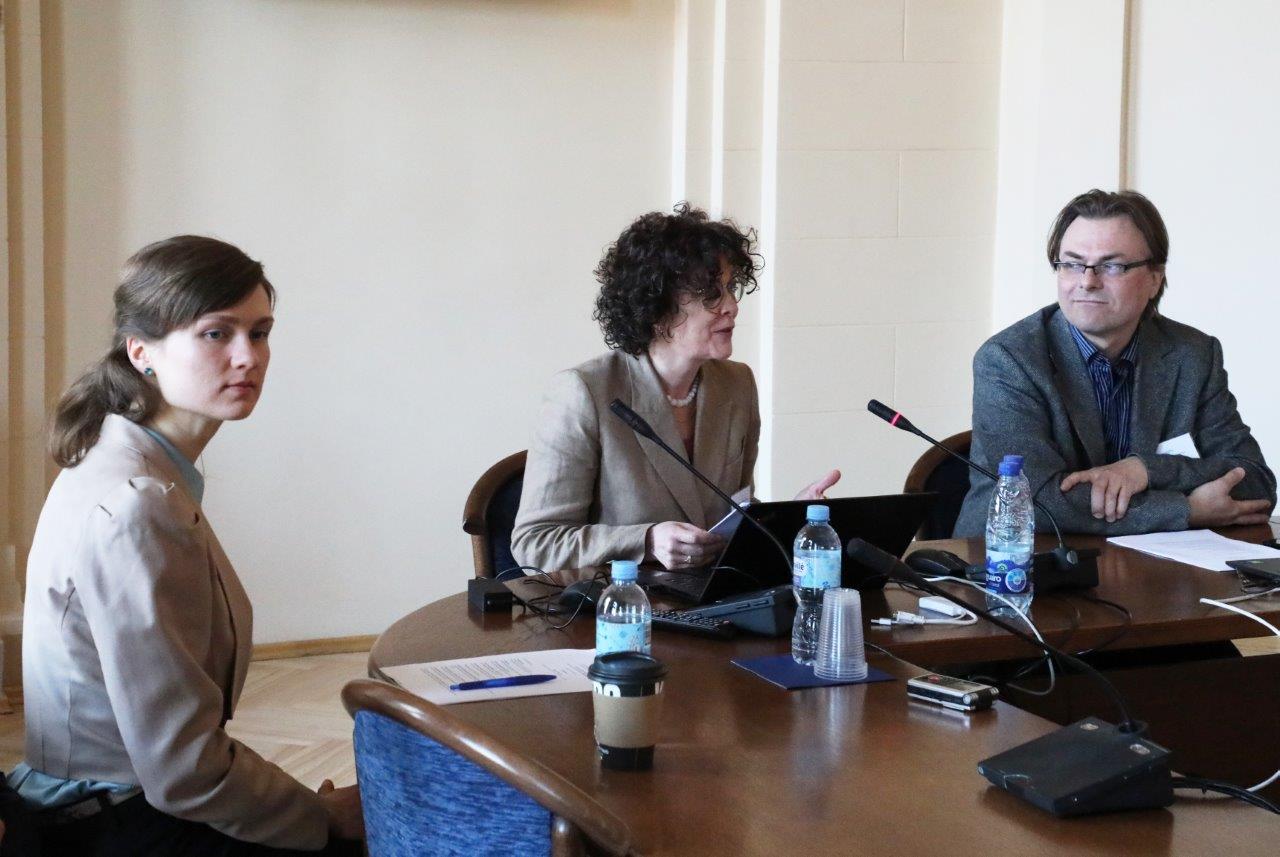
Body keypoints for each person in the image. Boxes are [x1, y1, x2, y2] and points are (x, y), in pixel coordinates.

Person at [13, 236, 363, 855]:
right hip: (111, 823)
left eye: (259, 333)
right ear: (140, 351)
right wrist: (319, 817)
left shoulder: (132, 463)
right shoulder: (136, 501)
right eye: (216, 333)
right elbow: (183, 771)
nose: (247, 357)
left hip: (128, 800)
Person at [512, 203, 840, 572]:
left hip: (711, 597)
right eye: (711, 293)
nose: (732, 306)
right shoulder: (583, 392)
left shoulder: (737, 385)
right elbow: (535, 543)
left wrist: (789, 518)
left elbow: (729, 517)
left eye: (731, 288)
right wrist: (647, 542)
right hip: (618, 601)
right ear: (657, 308)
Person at [955, 189, 1275, 537]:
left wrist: (1144, 470)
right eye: (1072, 264)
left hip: (1151, 561)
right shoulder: (1009, 359)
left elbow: (1254, 482)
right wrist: (1186, 509)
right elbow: (1036, 500)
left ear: (1154, 279)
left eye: (1112, 266)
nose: (1087, 282)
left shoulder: (1192, 354)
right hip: (1015, 558)